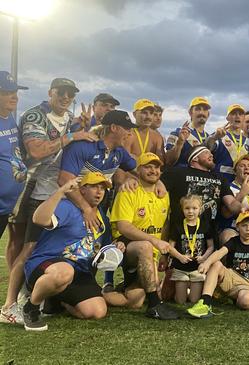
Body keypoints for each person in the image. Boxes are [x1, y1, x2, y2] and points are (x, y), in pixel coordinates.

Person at [2, 78, 97, 324]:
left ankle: (27, 295)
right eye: (61, 93)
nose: (66, 98)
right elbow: (37, 151)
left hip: (51, 191)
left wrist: (76, 126)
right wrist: (74, 135)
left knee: (36, 246)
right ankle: (10, 303)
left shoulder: (66, 118)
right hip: (29, 187)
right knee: (23, 244)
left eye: (71, 94)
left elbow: (64, 137)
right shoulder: (35, 116)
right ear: (50, 93)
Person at [22, 172, 113, 331]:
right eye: (93, 187)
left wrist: (117, 248)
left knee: (97, 311)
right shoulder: (67, 207)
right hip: (48, 264)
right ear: (82, 190)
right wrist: (60, 191)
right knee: (64, 271)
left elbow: (103, 249)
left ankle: (57, 299)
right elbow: (39, 219)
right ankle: (31, 307)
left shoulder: (102, 218)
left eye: (102, 188)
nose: (99, 192)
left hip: (79, 272)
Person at [110, 152, 178, 319]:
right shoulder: (128, 192)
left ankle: (104, 293)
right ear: (138, 170)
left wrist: (163, 253)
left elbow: (165, 225)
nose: (153, 170)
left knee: (135, 301)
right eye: (148, 167)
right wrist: (154, 241)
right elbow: (123, 227)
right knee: (145, 246)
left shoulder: (163, 195)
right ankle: (155, 305)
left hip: (151, 253)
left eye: (156, 167)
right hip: (127, 247)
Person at [57, 110, 137, 230]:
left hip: (95, 208)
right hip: (66, 207)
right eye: (127, 128)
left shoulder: (120, 152)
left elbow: (140, 172)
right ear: (114, 128)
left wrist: (157, 183)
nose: (130, 134)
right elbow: (64, 180)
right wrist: (86, 209)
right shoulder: (82, 146)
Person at [187, 210, 249, 316]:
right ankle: (205, 302)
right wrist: (206, 263)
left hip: (246, 283)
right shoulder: (234, 241)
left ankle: (232, 297)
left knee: (246, 302)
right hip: (230, 275)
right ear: (237, 227)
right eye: (244, 225)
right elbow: (220, 253)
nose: (248, 229)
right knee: (216, 264)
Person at [160, 145, 240, 243]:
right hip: (180, 236)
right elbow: (156, 183)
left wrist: (243, 208)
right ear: (195, 158)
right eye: (206, 152)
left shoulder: (219, 178)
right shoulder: (178, 172)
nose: (211, 155)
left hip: (209, 238)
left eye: (211, 153)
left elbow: (231, 203)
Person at [0, 71, 28, 269]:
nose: (14, 96)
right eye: (7, 92)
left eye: (15, 91)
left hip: (8, 205)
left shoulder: (9, 118)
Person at [168, 195, 214, 304]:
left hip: (197, 268)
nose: (190, 211)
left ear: (200, 209)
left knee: (194, 300)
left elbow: (211, 246)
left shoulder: (205, 226)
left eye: (194, 208)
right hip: (180, 268)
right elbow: (170, 246)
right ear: (182, 209)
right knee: (180, 301)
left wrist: (204, 257)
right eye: (187, 208)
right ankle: (180, 289)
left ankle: (190, 289)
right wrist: (180, 256)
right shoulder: (177, 226)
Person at [219, 154, 249, 244]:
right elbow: (226, 214)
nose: (246, 168)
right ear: (235, 171)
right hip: (232, 229)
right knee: (228, 237)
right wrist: (242, 193)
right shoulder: (227, 187)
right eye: (242, 166)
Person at [165, 97, 212, 167]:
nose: (201, 112)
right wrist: (180, 142)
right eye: (198, 109)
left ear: (208, 114)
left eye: (205, 110)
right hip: (182, 176)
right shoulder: (177, 133)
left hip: (202, 177)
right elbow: (168, 160)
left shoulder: (209, 137)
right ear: (190, 112)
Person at [212, 104, 249, 182]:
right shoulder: (219, 135)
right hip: (220, 183)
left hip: (240, 185)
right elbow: (206, 148)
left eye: (240, 114)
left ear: (244, 118)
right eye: (233, 114)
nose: (237, 116)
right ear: (227, 118)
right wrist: (214, 138)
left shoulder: (248, 141)